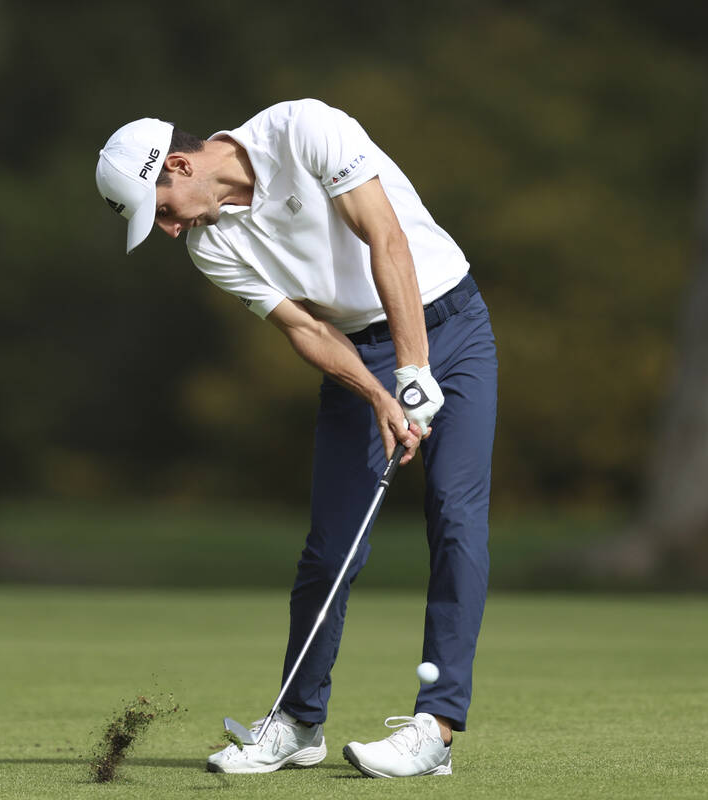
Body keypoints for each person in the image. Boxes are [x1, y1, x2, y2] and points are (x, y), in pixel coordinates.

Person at [95, 99, 498, 779]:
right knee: (330, 547)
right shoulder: (208, 244)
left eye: (161, 208)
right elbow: (307, 329)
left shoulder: (303, 129)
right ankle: (298, 722)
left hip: (451, 326)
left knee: (456, 517)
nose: (168, 230)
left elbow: (386, 239)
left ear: (181, 164)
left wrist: (414, 368)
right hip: (360, 354)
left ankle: (436, 728)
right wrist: (379, 395)